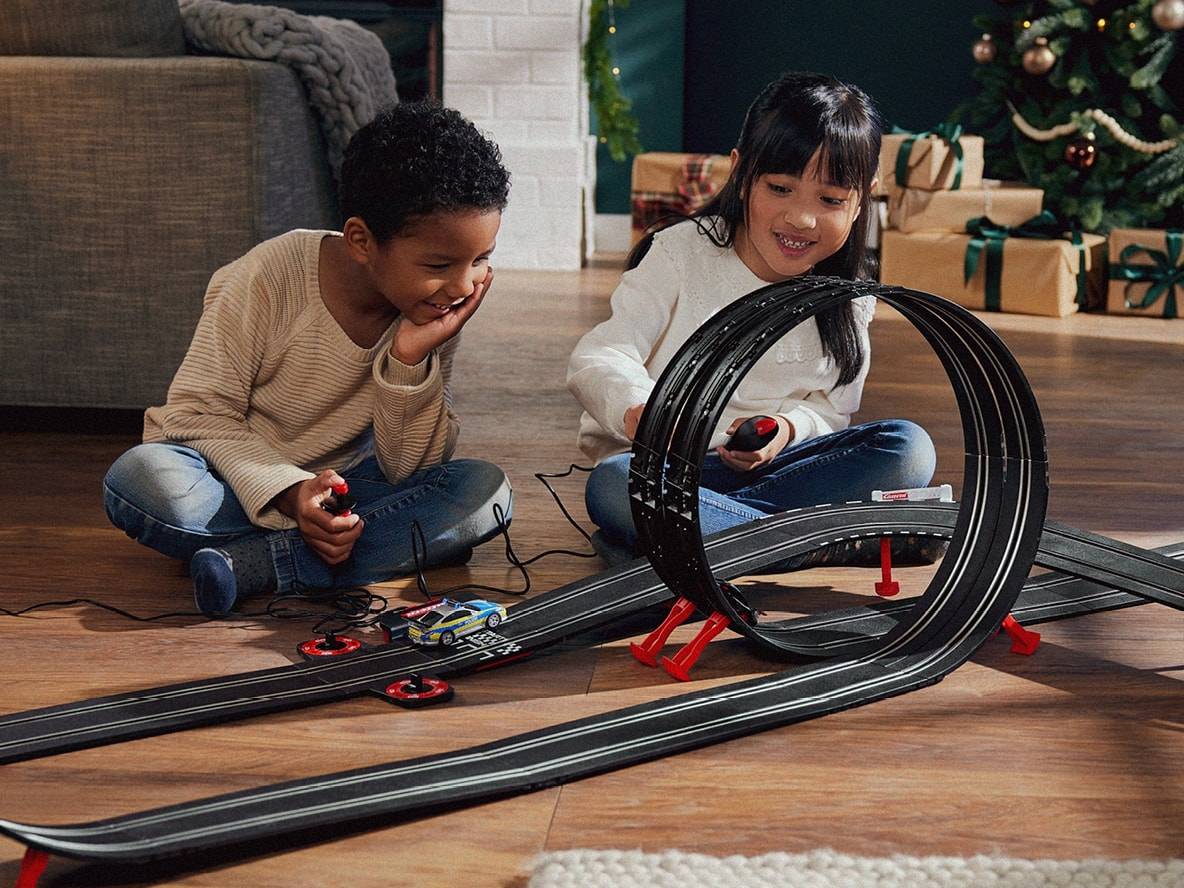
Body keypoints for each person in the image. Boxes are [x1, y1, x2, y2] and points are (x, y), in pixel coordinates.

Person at [104, 101, 514, 616]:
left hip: (349, 492)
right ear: (362, 241)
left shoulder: (430, 306)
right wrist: (292, 492)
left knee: (484, 492)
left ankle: (258, 565)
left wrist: (411, 358)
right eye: (439, 264)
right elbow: (194, 415)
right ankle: (324, 551)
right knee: (140, 478)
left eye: (481, 259)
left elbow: (413, 466)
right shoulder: (266, 277)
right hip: (232, 480)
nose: (463, 285)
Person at [567, 71, 940, 566]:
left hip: (777, 474)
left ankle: (703, 544)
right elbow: (601, 355)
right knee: (614, 486)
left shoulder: (850, 296)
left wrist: (785, 429)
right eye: (780, 188)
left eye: (830, 200)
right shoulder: (681, 255)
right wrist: (640, 410)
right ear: (742, 175)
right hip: (667, 472)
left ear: (864, 198)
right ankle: (813, 542)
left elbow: (829, 411)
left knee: (908, 449)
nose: (801, 219)